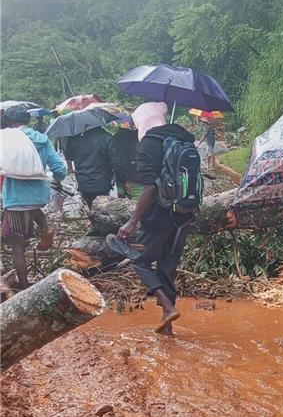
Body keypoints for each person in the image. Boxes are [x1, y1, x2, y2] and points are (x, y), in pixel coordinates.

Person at [117, 102, 196, 335]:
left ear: (142, 122)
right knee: (167, 267)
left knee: (139, 261)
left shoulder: (148, 145)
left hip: (157, 217)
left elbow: (149, 188)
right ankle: (167, 327)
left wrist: (132, 221)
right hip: (183, 214)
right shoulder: (184, 140)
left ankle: (168, 307)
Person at [0, 107, 67, 289]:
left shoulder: (5, 140)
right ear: (28, 120)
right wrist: (56, 181)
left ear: (9, 121)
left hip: (16, 199)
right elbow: (60, 169)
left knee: (17, 247)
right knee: (32, 212)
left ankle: (24, 287)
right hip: (39, 195)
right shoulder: (42, 139)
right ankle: (45, 228)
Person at [63, 126, 114, 207]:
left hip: (84, 182)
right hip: (103, 181)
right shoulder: (106, 137)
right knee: (103, 209)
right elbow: (113, 159)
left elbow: (69, 156)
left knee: (89, 207)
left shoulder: (75, 139)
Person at [108, 127, 140, 198]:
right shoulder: (140, 137)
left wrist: (122, 178)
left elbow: (115, 160)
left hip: (120, 179)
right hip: (137, 179)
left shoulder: (115, 138)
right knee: (139, 204)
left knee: (122, 205)